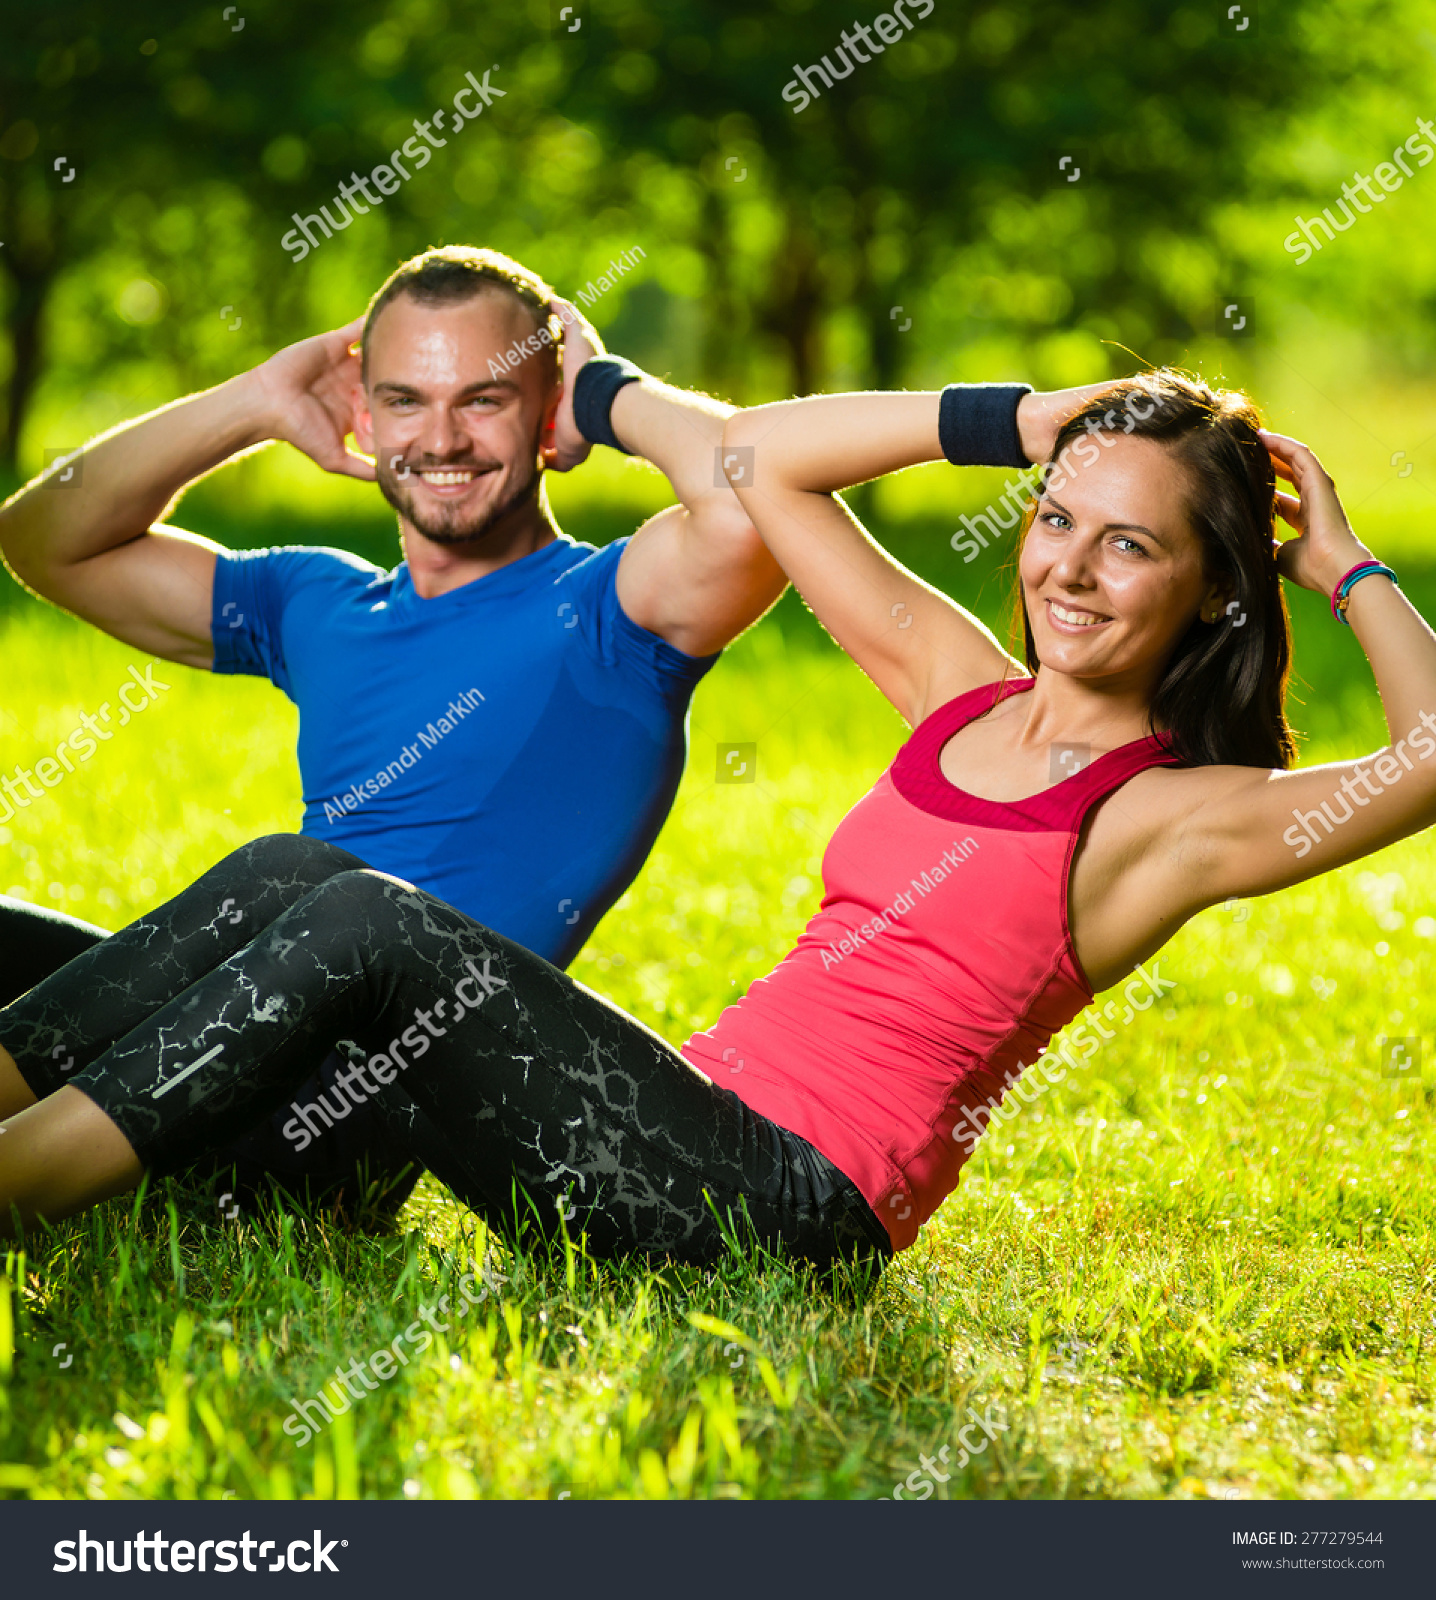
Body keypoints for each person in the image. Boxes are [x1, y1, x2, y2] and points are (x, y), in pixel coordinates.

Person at [4, 369, 1421, 1266]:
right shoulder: (957, 695)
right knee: (301, 873)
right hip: (675, 1135)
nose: (1071, 569)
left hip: (785, 1209)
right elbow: (758, 464)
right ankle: (146, 1156)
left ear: (1214, 588)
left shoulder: (1170, 819)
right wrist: (1016, 420)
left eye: (1132, 544)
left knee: (370, 923)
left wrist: (1348, 568)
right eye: (1058, 520)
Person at [0, 245, 793, 1212]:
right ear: (366, 417)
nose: (443, 439)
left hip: (354, 1109)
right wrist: (257, 400)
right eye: (407, 400)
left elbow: (763, 502)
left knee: (299, 874)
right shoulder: (314, 600)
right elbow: (44, 539)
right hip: (218, 1031)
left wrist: (607, 391)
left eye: (485, 399)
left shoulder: (613, 610)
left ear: (548, 415)